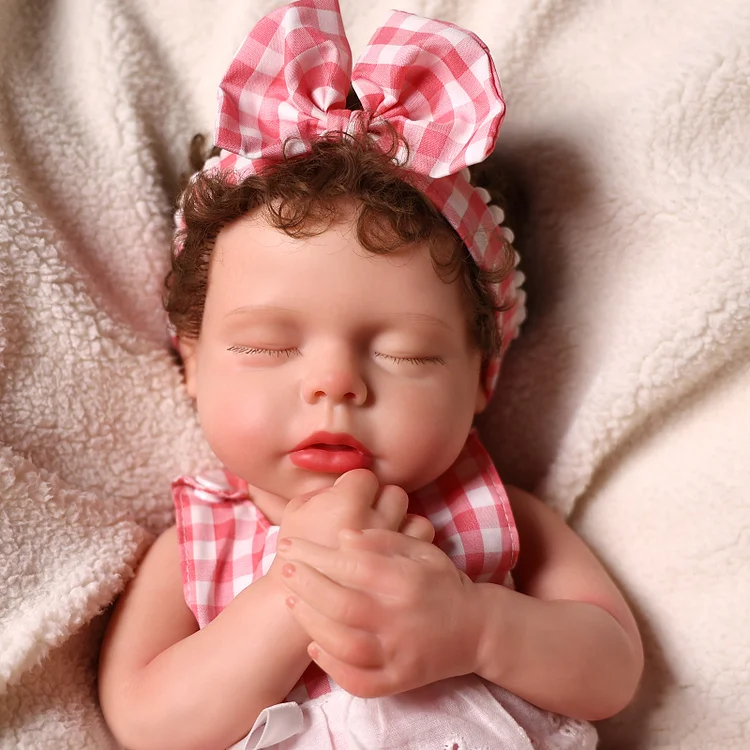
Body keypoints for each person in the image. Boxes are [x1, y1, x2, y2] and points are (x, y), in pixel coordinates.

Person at [97, 1, 643, 748]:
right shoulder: (200, 542)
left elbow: (612, 670)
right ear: (191, 362)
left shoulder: (493, 514)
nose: (335, 385)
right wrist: (297, 590)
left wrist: (478, 627)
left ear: (482, 381)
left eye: (406, 354)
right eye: (266, 346)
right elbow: (143, 723)